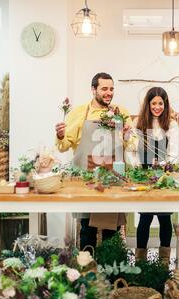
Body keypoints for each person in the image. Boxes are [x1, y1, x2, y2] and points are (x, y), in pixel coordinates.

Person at [55, 72, 137, 249]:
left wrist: (126, 135)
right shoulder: (78, 113)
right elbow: (64, 145)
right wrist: (60, 135)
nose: (109, 92)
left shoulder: (120, 112)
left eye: (111, 89)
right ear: (93, 90)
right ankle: (87, 269)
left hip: (113, 178)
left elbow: (133, 143)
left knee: (112, 230)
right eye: (104, 89)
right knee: (87, 229)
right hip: (86, 179)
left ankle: (111, 272)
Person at [129, 87, 179, 266]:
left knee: (165, 217)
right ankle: (140, 260)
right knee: (145, 217)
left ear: (165, 104)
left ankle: (164, 261)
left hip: (164, 177)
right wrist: (137, 168)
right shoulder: (138, 123)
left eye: (160, 103)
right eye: (154, 103)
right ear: (148, 104)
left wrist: (165, 168)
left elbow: (173, 151)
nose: (157, 107)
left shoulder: (171, 125)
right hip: (143, 175)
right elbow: (132, 150)